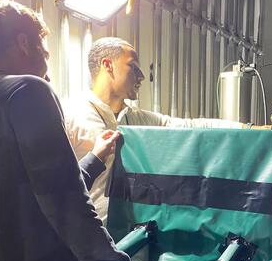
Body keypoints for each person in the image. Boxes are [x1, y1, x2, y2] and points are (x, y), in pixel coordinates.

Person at [0, 0, 166, 261]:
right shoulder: (28, 89)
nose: (47, 58)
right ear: (24, 42)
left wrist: (94, 159)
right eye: (44, 47)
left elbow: (33, 194)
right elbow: (67, 203)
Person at [64, 37, 246, 220]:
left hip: (131, 236)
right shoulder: (70, 114)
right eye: (133, 67)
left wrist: (248, 128)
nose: (142, 76)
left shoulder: (135, 118)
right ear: (107, 65)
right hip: (89, 239)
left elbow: (189, 125)